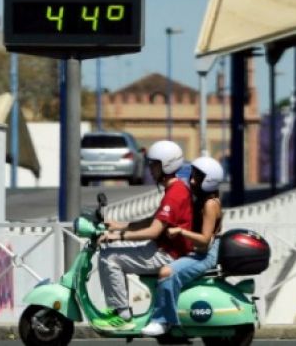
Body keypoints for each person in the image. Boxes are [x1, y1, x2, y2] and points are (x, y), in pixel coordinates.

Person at [93, 140, 193, 330]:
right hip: (162, 248)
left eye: (154, 165)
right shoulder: (175, 188)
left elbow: (153, 231)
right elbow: (153, 220)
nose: (150, 169)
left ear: (166, 165)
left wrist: (119, 236)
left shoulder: (175, 194)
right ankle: (120, 310)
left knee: (109, 257)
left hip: (167, 254)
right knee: (114, 250)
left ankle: (122, 315)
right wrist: (120, 226)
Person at [141, 156, 225, 336]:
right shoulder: (202, 199)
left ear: (210, 181)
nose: (192, 181)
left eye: (198, 177)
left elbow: (205, 240)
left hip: (206, 254)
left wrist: (181, 231)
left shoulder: (210, 204)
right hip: (199, 251)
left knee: (166, 272)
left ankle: (163, 321)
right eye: (192, 176)